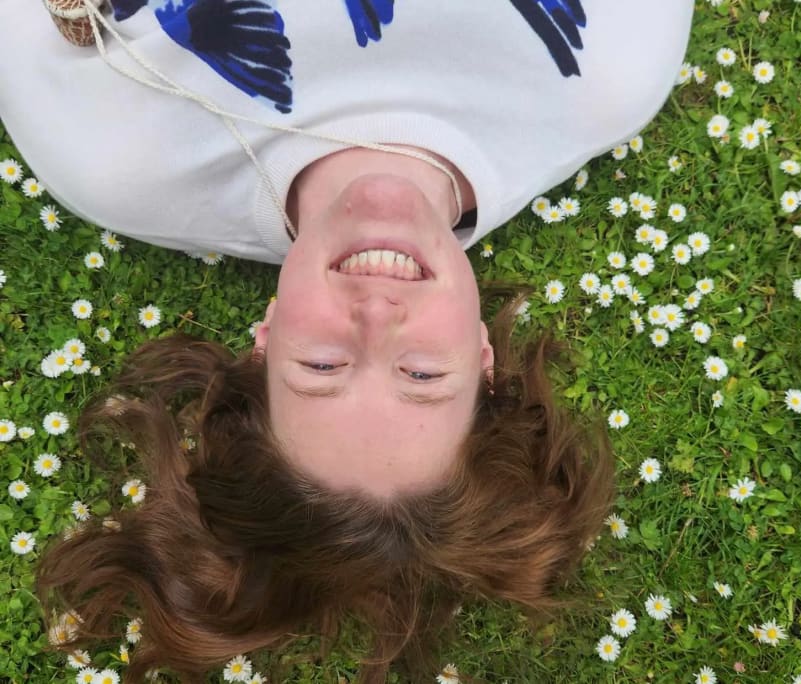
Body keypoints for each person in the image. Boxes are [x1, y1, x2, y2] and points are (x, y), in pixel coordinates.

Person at [0, 1, 694, 682]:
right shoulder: (605, 74)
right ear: (483, 360)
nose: (376, 315)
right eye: (420, 375)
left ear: (264, 344)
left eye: (323, 365)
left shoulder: (119, 156)